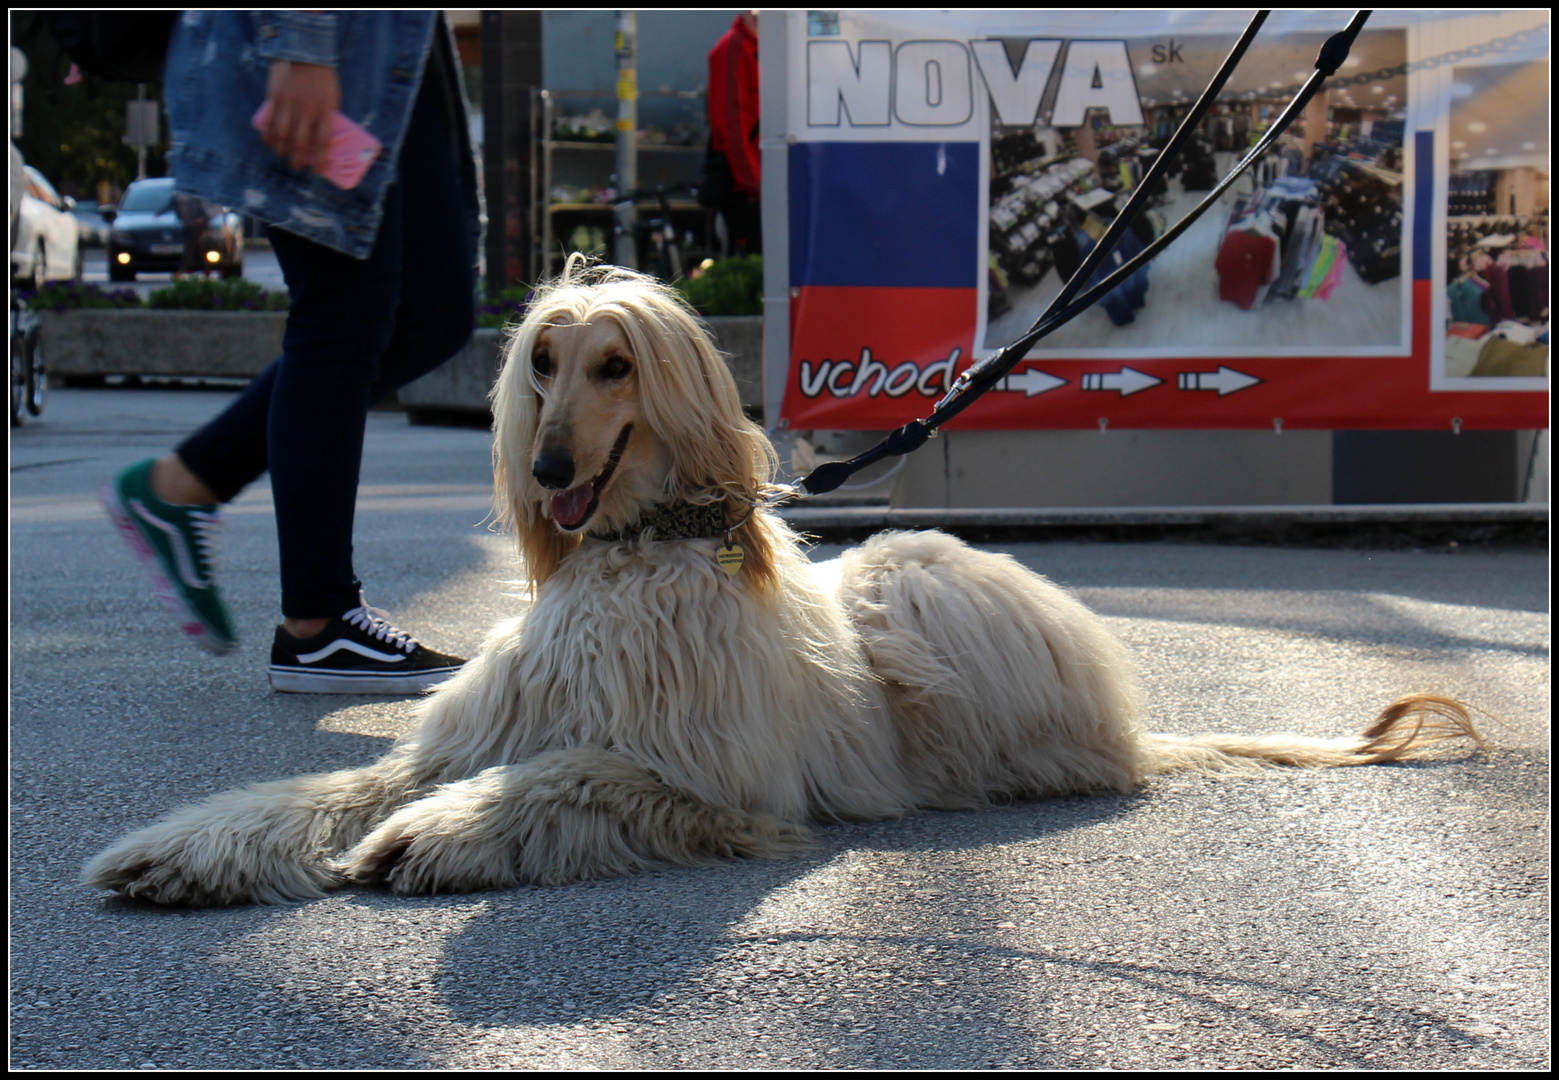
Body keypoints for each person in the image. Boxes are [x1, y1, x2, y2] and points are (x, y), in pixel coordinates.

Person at [102, 11, 480, 693]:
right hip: (324, 44)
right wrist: (300, 45)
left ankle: (183, 484)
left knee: (432, 312)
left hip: (399, 42)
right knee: (344, 314)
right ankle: (318, 620)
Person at [703, 10, 761, 255]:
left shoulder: (767, 47)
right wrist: (754, 183)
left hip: (764, 184)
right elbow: (731, 125)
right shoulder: (734, 47)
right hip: (747, 190)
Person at [172, 191, 211, 278]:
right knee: (197, 248)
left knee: (189, 248)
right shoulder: (176, 197)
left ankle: (180, 271)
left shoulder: (194, 197)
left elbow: (201, 209)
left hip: (197, 224)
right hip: (187, 225)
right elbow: (171, 206)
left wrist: (203, 219)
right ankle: (206, 269)